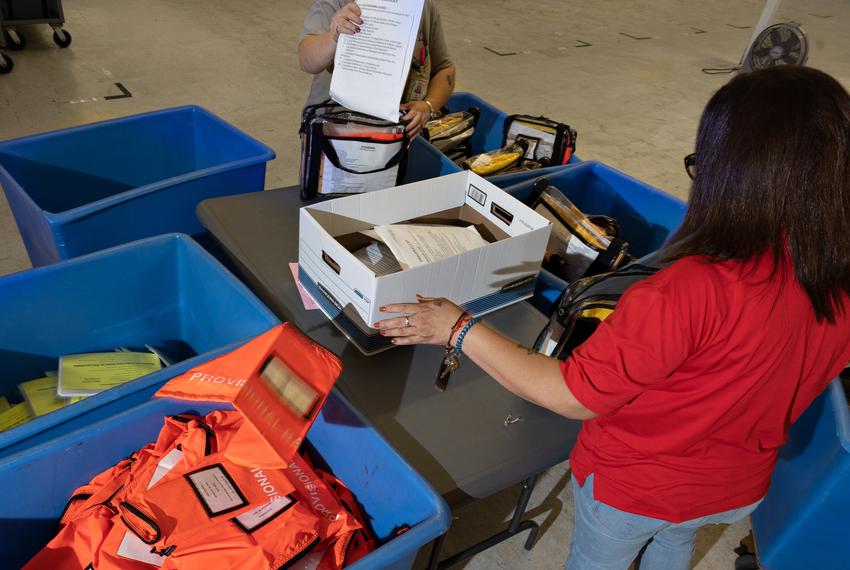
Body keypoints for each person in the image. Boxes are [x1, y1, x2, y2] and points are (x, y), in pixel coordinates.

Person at [374, 65, 850, 569]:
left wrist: (456, 327)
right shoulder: (836, 280)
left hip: (636, 492)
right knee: (677, 538)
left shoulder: (687, 291)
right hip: (734, 489)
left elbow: (571, 395)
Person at [298, 0, 456, 137]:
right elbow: (307, 61)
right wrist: (334, 35)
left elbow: (445, 69)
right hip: (335, 133)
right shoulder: (337, 2)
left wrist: (428, 106)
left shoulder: (423, 6)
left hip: (398, 136)